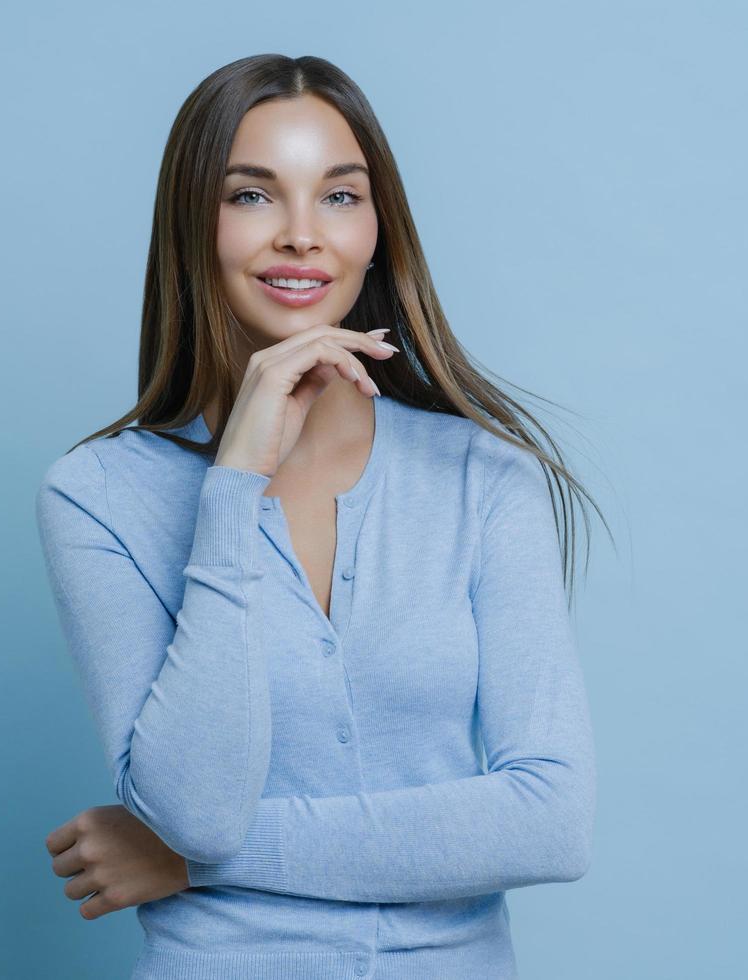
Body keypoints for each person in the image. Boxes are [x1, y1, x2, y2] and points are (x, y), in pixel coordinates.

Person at [35, 53, 608, 980]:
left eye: (339, 197)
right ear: (193, 227)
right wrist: (232, 487)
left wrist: (191, 865)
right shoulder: (97, 496)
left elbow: (549, 820)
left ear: (378, 230)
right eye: (253, 197)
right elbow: (197, 804)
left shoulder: (485, 479)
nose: (303, 236)